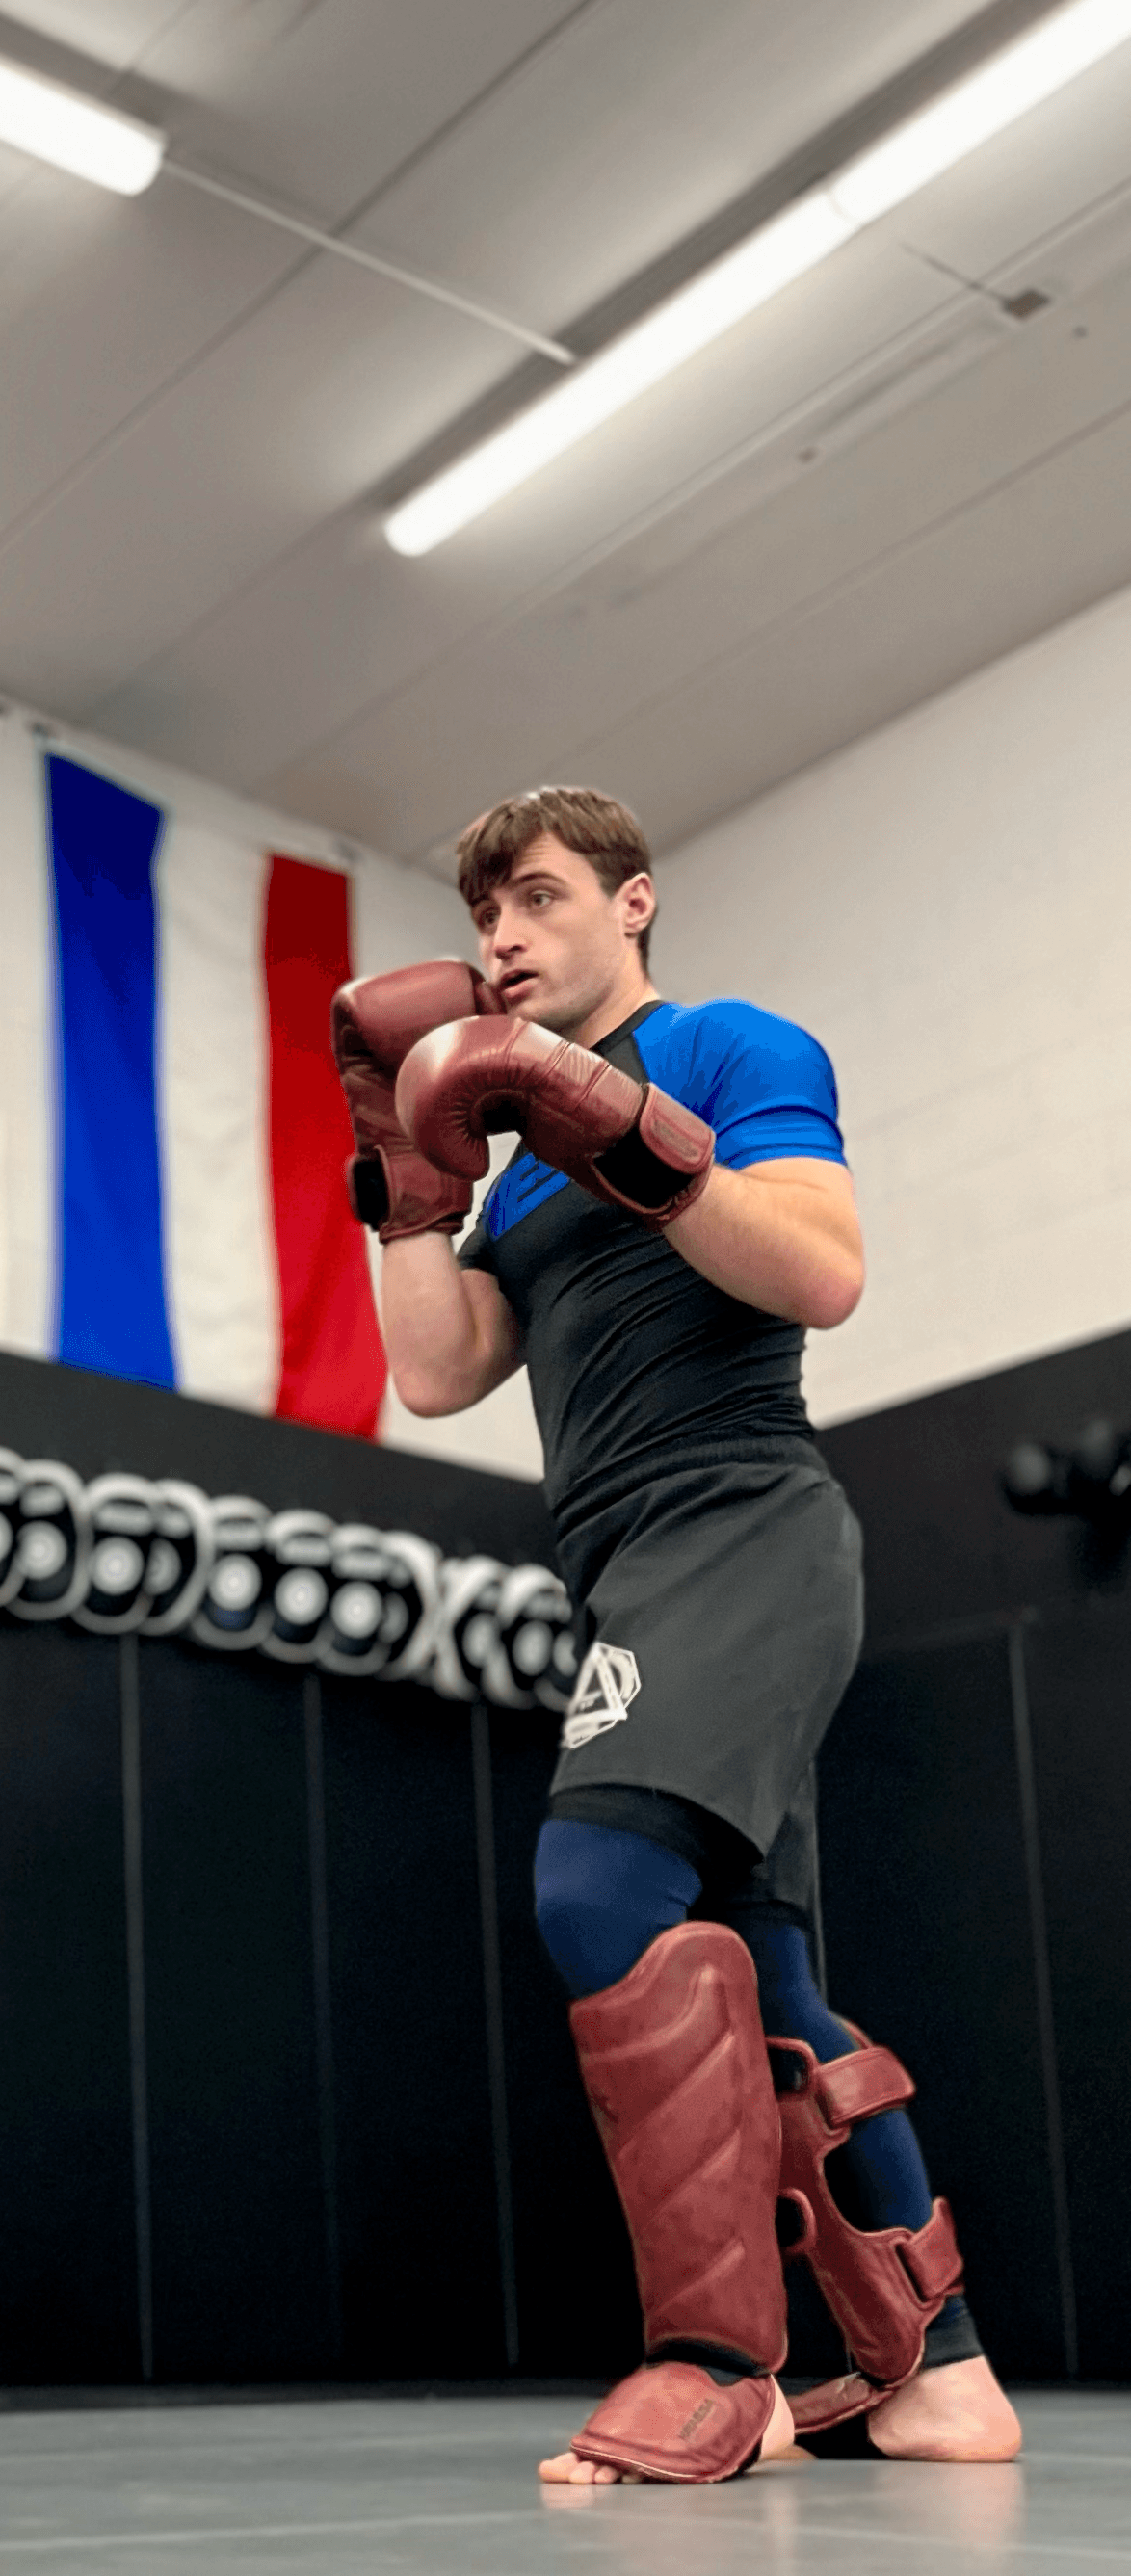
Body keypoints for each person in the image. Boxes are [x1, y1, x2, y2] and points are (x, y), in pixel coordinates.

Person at [333, 786, 1023, 2486]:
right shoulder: (518, 1160)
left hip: (742, 1521)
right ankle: (940, 2373)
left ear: (632, 902)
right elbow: (436, 1369)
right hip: (628, 1560)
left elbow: (822, 1269)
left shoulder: (731, 1045)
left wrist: (623, 1124)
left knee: (598, 1887)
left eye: (537, 897)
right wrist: (407, 1175)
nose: (500, 939)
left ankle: (719, 2366)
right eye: (483, 914)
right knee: (768, 1983)